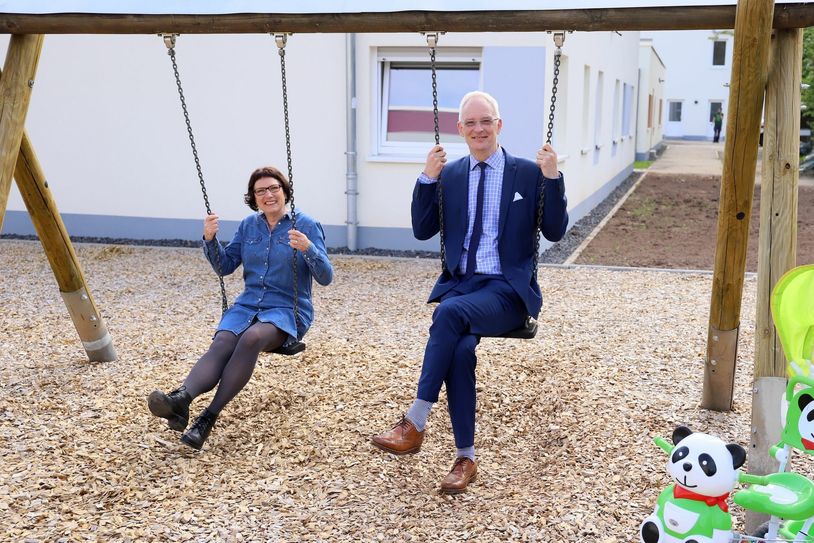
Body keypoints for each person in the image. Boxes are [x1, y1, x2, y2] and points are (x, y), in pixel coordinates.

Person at [370, 91, 569, 493]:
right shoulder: (452, 174)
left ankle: (415, 420)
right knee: (459, 352)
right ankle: (466, 458)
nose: (479, 129)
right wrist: (427, 178)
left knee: (447, 315)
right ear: (460, 130)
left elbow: (554, 231)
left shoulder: (527, 174)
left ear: (499, 125)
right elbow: (423, 229)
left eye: (486, 121)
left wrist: (553, 178)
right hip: (463, 286)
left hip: (507, 292)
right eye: (470, 123)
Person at [147, 166, 333, 450]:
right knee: (222, 341)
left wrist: (308, 248)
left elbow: (326, 277)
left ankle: (207, 418)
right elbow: (225, 266)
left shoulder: (305, 225)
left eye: (274, 188)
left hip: (287, 311)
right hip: (247, 306)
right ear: (254, 198)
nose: (268, 195)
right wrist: (210, 240)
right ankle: (181, 401)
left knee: (252, 338)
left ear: (285, 191)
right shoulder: (249, 226)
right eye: (261, 191)